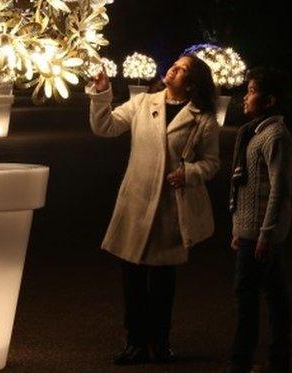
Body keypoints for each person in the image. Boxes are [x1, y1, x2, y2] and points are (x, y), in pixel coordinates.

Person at [87, 54, 221, 365]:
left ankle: (160, 342)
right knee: (132, 279)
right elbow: (105, 126)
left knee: (163, 283)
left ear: (192, 82)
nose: (173, 68)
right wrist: (101, 95)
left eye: (183, 68)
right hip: (136, 204)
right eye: (174, 63)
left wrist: (189, 174)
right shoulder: (144, 102)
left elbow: (212, 162)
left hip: (169, 209)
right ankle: (135, 342)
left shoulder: (203, 118)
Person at [227, 68, 292, 373]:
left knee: (248, 297)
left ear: (269, 100)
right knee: (273, 294)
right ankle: (277, 360)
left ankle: (241, 363)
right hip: (251, 231)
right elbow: (246, 187)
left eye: (252, 91)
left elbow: (279, 188)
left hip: (261, 234)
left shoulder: (275, 135)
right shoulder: (255, 133)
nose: (246, 96)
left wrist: (265, 233)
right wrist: (237, 228)